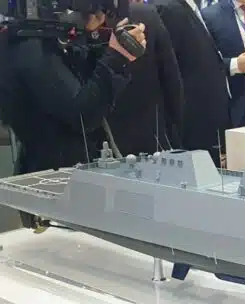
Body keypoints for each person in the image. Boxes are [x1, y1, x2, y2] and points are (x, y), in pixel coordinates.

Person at [0, 4, 146, 175]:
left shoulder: (47, 38)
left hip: (74, 170)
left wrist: (96, 39)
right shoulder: (28, 45)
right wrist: (116, 58)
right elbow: (82, 115)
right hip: (55, 175)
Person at [152, 0, 232, 168]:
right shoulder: (169, 9)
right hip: (192, 126)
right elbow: (170, 72)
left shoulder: (188, 8)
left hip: (206, 121)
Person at [107, 1, 184, 156]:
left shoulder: (77, 23)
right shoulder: (145, 14)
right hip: (152, 136)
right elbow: (171, 79)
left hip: (102, 142)